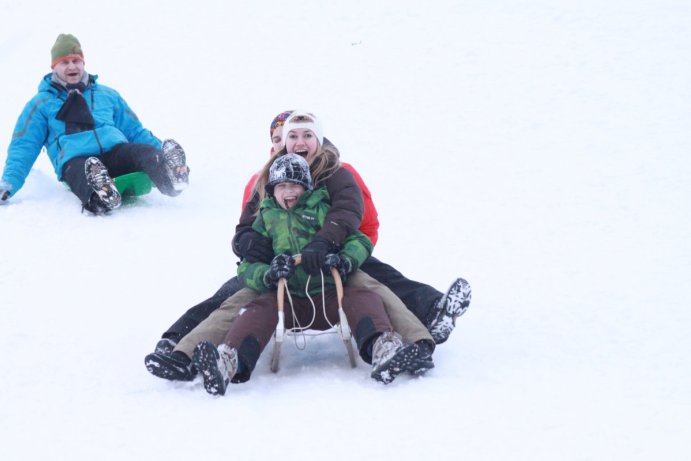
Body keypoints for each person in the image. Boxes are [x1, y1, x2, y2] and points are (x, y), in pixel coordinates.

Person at [148, 110, 469, 362]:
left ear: (317, 139)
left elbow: (351, 213)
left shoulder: (336, 172)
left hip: (334, 250)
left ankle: (432, 311)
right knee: (232, 294)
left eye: (303, 136)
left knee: (380, 280)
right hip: (281, 263)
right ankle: (177, 341)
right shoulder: (266, 178)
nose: (290, 144)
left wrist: (335, 247)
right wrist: (247, 244)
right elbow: (247, 226)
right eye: (282, 138)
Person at [192, 154, 424, 395]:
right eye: (282, 186)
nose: (288, 191)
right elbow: (246, 266)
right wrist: (268, 273)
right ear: (273, 190)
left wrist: (344, 259)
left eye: (294, 185)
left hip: (329, 294)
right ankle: (228, 361)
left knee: (365, 298)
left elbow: (359, 241)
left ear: (306, 187)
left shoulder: (321, 210)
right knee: (256, 309)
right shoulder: (266, 218)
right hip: (287, 299)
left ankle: (383, 348)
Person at [0, 33, 190, 214]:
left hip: (114, 152)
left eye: (76, 61)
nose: (71, 66)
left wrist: (159, 152)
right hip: (75, 160)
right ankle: (101, 196)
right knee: (82, 171)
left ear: (83, 63)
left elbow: (135, 131)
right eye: (64, 62)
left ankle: (172, 175)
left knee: (140, 152)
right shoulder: (41, 104)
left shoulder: (107, 95)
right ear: (53, 67)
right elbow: (24, 146)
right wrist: (8, 184)